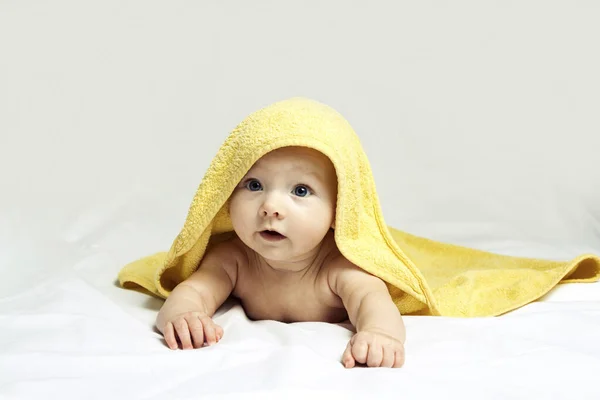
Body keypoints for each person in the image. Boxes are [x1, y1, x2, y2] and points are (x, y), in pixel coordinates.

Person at [155, 146, 406, 368]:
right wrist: (184, 315)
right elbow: (194, 292)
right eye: (254, 185)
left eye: (300, 190)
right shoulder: (234, 259)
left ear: (338, 211)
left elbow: (371, 300)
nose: (270, 207)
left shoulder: (339, 266)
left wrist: (380, 333)